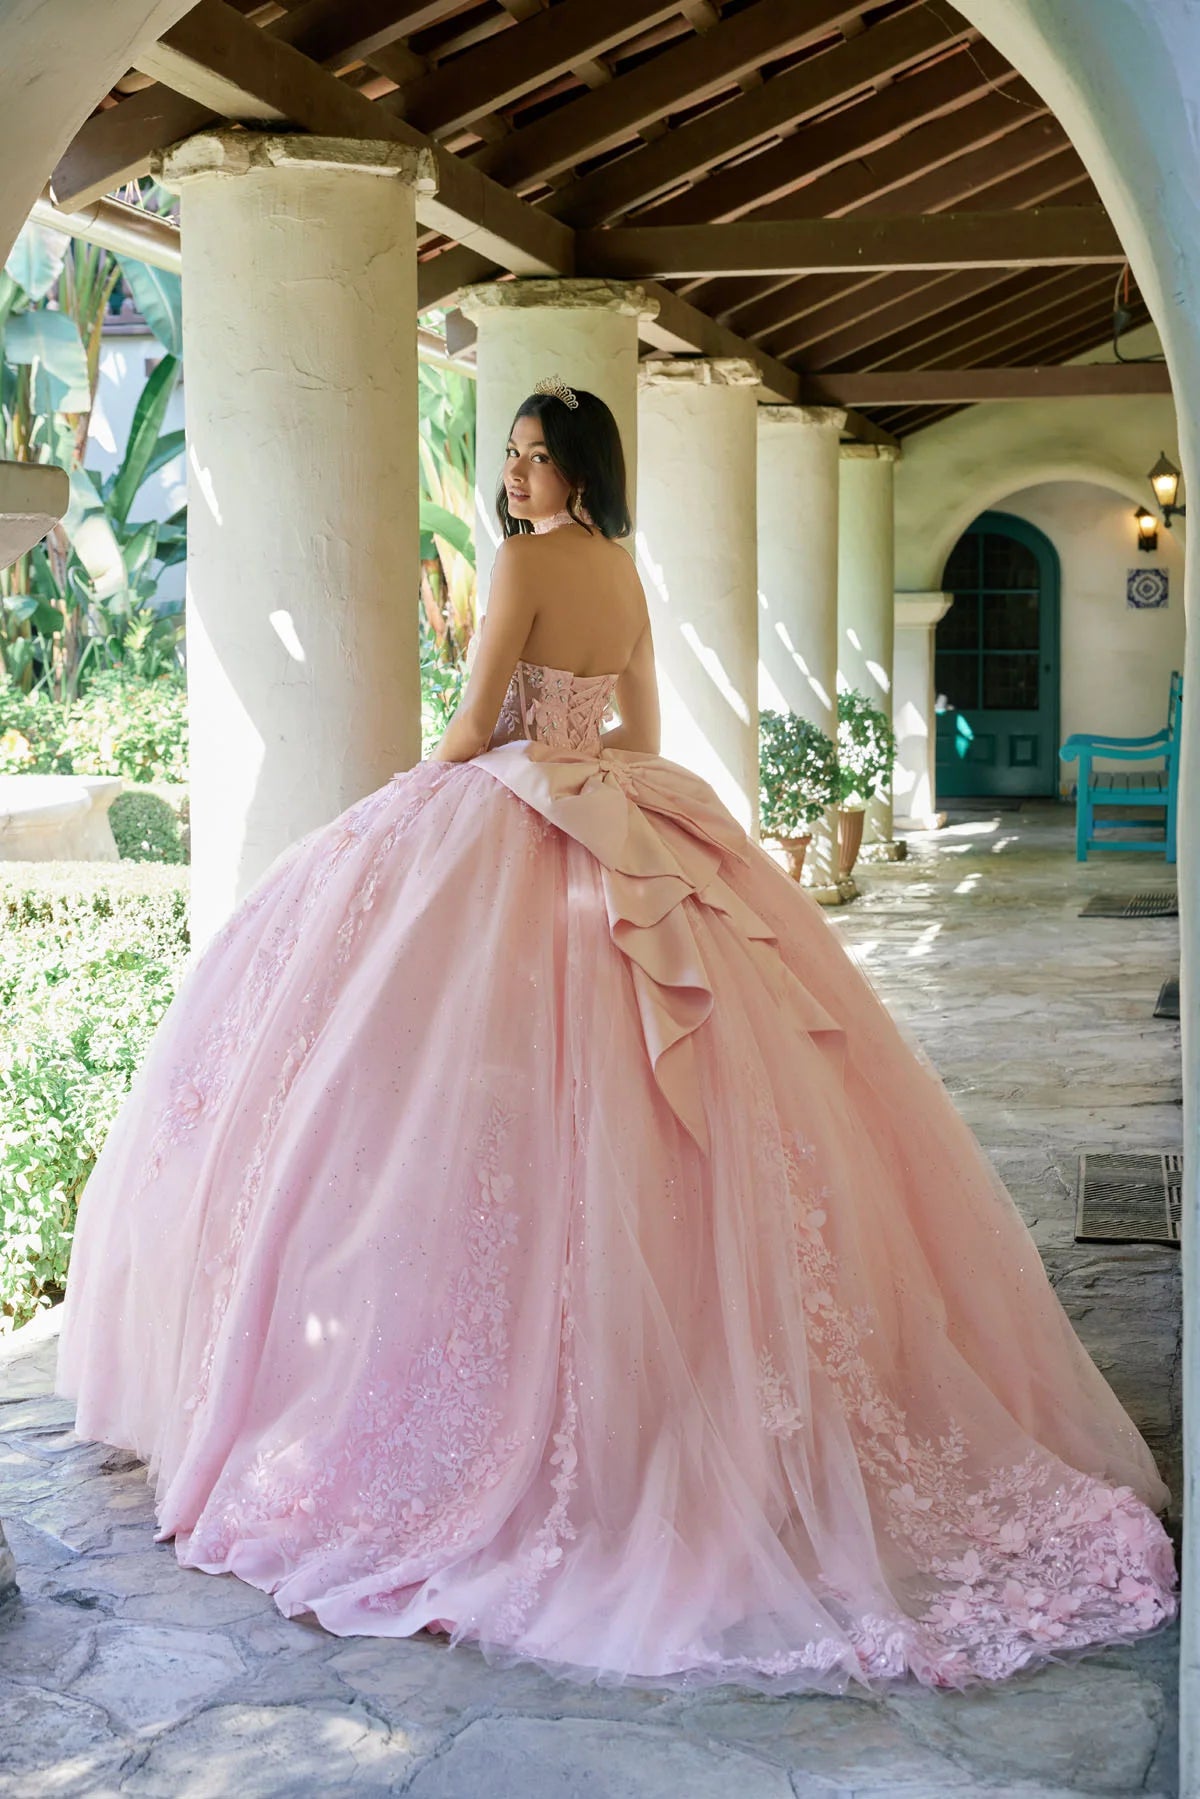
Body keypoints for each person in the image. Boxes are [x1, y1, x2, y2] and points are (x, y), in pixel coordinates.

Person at [56, 376, 1177, 1696]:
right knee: (662, 1101)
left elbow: (477, 727)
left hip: (520, 810)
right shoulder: (624, 576)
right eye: (514, 457)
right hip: (622, 814)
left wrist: (443, 785)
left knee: (441, 1082)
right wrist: (578, 771)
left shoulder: (527, 563)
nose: (515, 475)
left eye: (535, 458)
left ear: (576, 472)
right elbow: (635, 734)